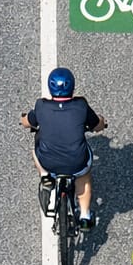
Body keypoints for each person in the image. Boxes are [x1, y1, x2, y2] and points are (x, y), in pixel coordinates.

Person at [20, 67, 107, 229]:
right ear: (72, 87)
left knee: (35, 149)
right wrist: (102, 122)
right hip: (76, 162)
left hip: (48, 162)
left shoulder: (41, 106)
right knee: (84, 177)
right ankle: (85, 215)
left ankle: (45, 175)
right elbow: (97, 125)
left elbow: (27, 122)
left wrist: (22, 118)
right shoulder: (81, 106)